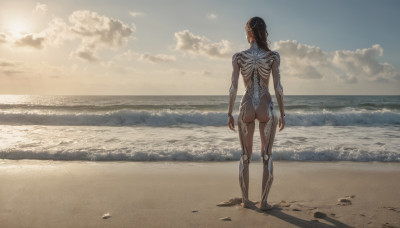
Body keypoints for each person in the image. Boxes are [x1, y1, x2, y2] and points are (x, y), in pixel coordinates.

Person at [227, 16, 285, 211]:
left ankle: (245, 200)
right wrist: (283, 113)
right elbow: (277, 87)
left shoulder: (238, 57)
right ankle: (264, 202)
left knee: (245, 156)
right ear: (263, 33)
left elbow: (233, 88)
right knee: (267, 155)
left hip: (246, 107)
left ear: (248, 33)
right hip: (265, 106)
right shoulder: (272, 56)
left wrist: (229, 112)